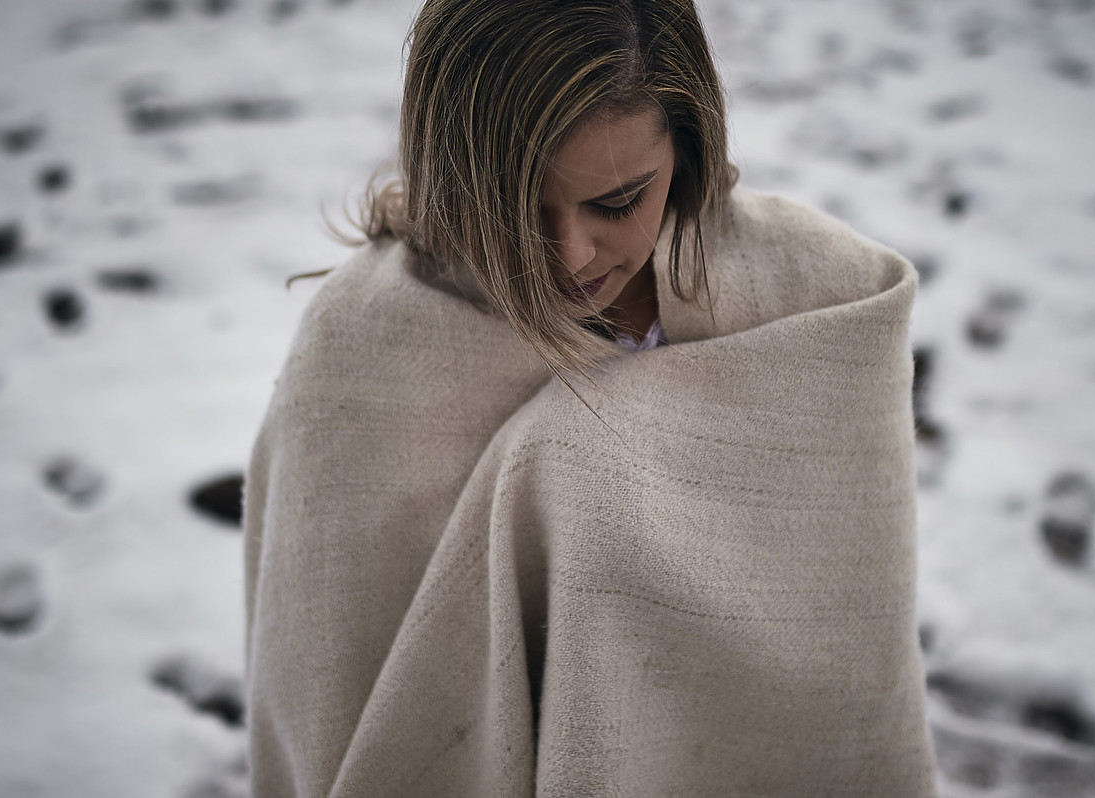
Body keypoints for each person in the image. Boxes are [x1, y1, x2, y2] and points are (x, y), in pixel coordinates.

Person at [243, 0, 938, 795]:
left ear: (690, 141)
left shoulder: (820, 300)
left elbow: (845, 665)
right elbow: (327, 699)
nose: (570, 254)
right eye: (522, 209)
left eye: (618, 202)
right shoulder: (363, 355)